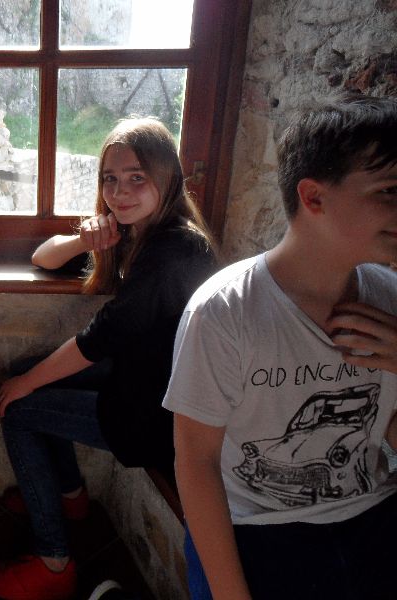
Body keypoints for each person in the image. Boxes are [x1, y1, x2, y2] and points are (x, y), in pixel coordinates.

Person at [163, 93, 397, 600]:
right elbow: (196, 461)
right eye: (389, 190)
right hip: (256, 529)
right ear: (314, 198)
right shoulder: (225, 312)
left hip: (373, 515)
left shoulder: (390, 298)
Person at [0, 117, 218, 600]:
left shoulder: (175, 247)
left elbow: (102, 336)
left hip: (155, 414)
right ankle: (69, 498)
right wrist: (85, 240)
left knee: (16, 404)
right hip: (139, 378)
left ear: (167, 176)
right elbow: (43, 258)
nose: (119, 192)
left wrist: (28, 385)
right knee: (24, 375)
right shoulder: (138, 228)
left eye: (136, 178)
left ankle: (52, 559)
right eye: (110, 178)